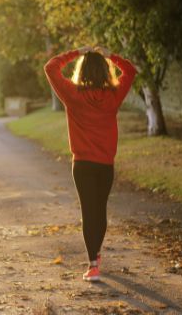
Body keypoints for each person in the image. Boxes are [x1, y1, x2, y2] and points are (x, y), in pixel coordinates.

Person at [44, 45, 137, 282]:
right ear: (105, 72)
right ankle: (96, 254)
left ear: (82, 70)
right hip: (105, 164)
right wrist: (110, 55)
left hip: (83, 165)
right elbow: (130, 70)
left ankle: (93, 263)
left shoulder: (72, 94)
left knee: (89, 211)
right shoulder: (113, 96)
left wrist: (76, 52)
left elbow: (51, 67)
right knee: (100, 210)